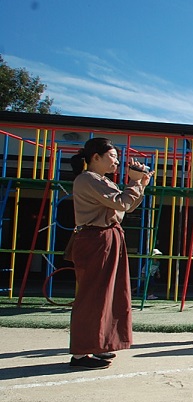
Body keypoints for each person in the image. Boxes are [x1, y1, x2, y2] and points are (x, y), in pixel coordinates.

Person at [67, 138, 151, 369]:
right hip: (96, 239)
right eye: (112, 156)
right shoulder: (88, 179)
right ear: (96, 157)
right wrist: (133, 183)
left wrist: (139, 184)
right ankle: (81, 353)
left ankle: (100, 345)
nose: (117, 161)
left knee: (112, 295)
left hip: (108, 237)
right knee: (93, 296)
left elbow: (127, 205)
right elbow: (122, 203)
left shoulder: (102, 181)